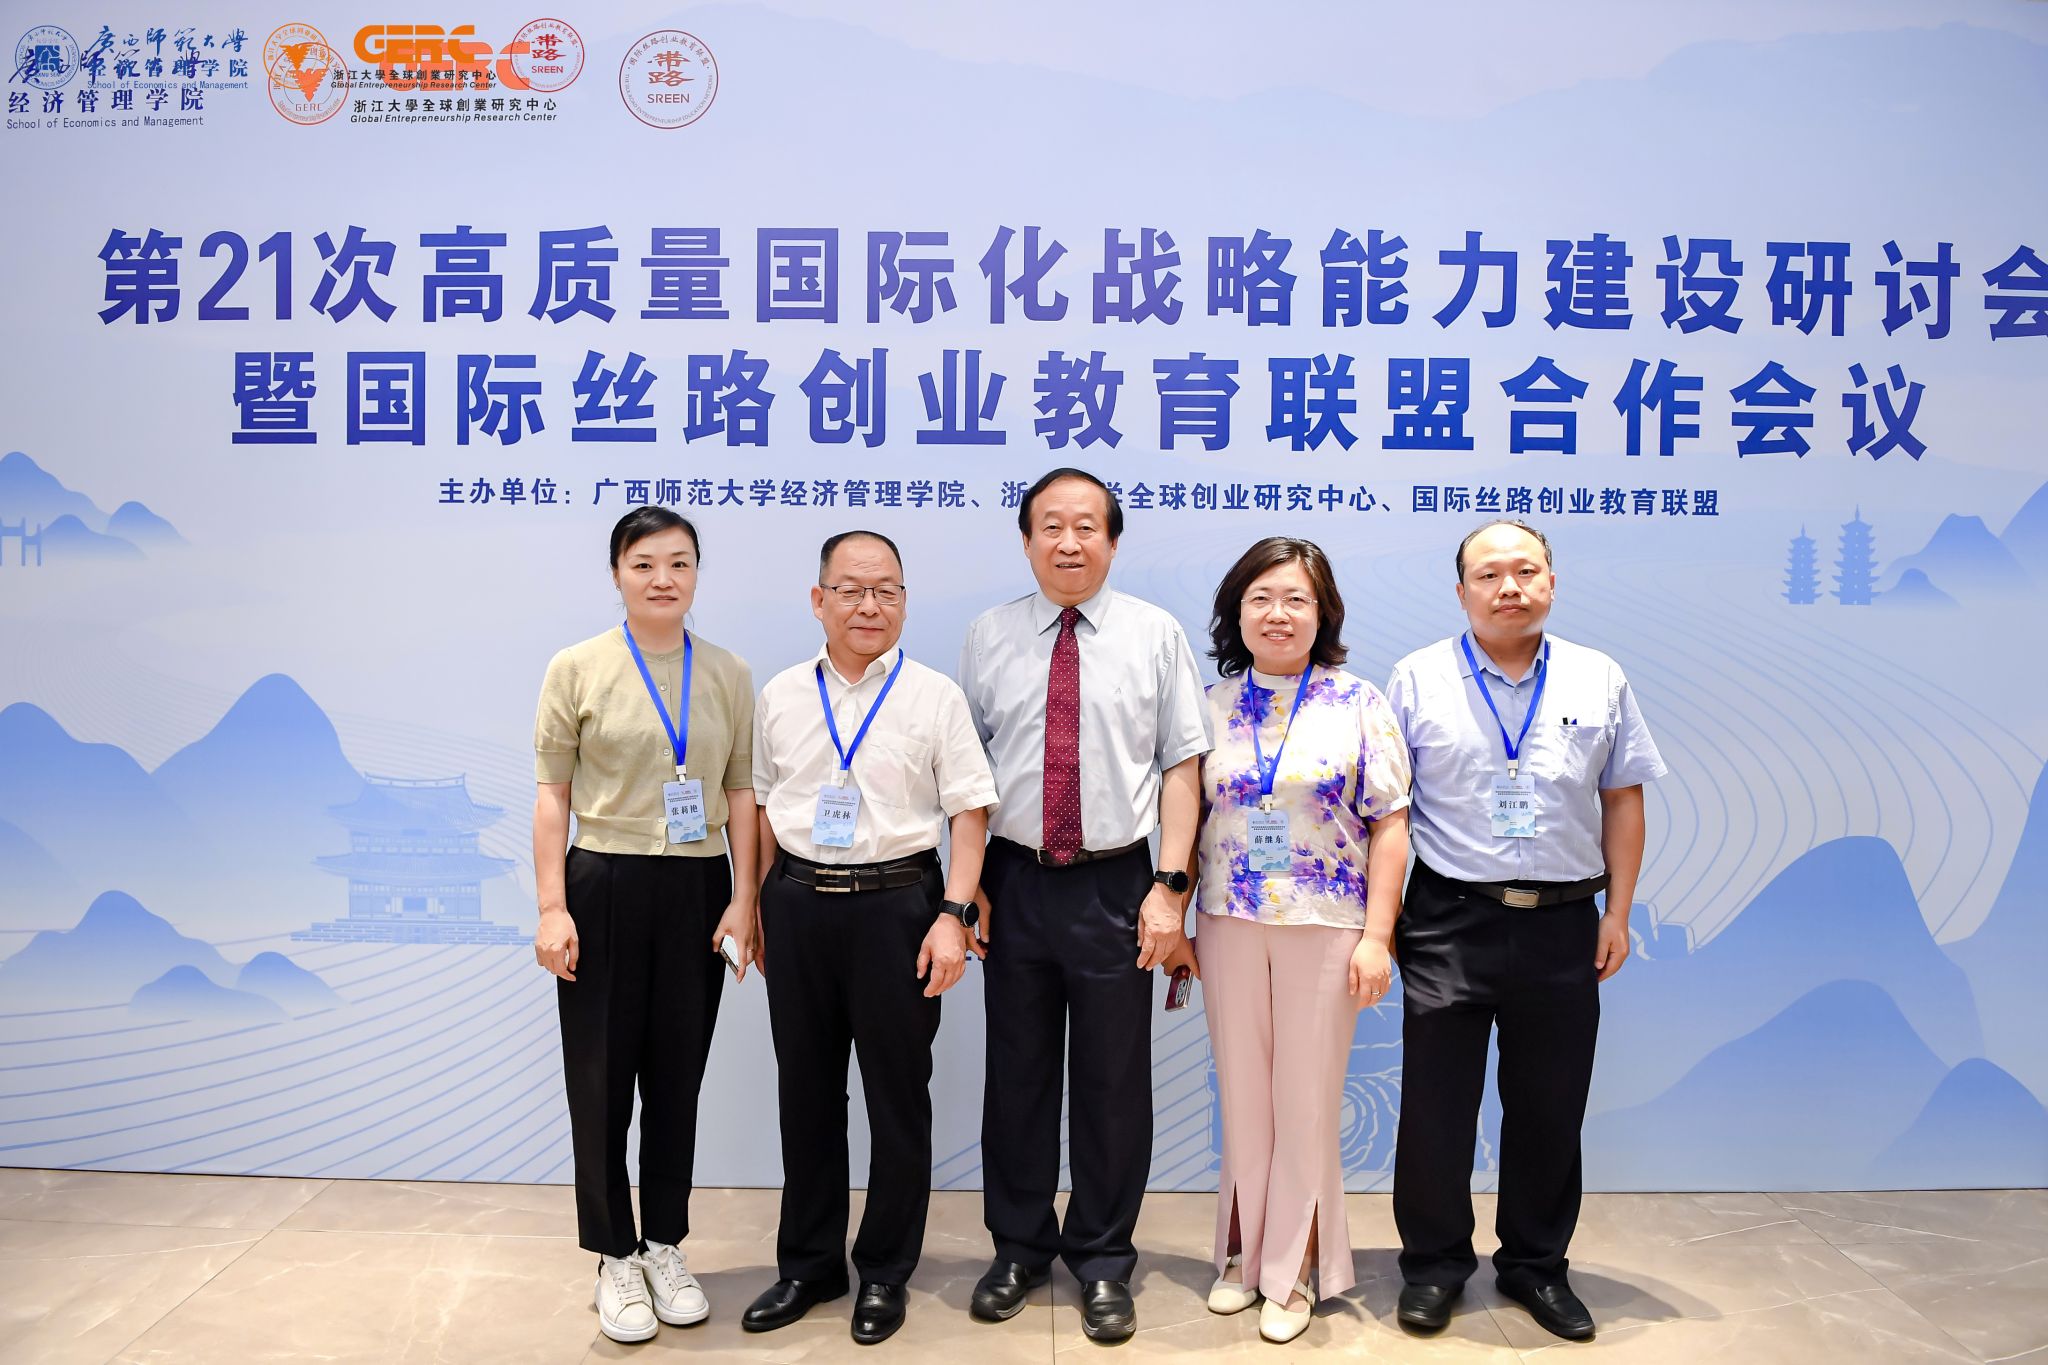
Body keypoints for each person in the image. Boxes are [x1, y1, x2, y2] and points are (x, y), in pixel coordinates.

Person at [1385, 519, 1665, 1342]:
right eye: (1489, 574)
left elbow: (1622, 797)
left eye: (1526, 570)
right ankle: (1434, 1265)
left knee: (1550, 1104)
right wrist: (1383, 920)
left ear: (1551, 580)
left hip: (1564, 921)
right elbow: (1388, 811)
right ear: (1461, 590)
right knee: (1436, 1105)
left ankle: (1536, 1264)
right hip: (1448, 916)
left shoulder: (1598, 676)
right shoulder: (1416, 677)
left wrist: (1618, 911)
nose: (1509, 587)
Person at [958, 467, 1212, 1344]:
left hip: (1117, 883)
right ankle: (1019, 1248)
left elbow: (1182, 767)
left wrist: (1170, 888)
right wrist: (969, 884)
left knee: (1113, 1081)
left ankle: (1103, 1257)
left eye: (1086, 526)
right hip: (1013, 879)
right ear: (1027, 539)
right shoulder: (989, 635)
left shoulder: (1154, 634)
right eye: (1051, 526)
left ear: (1113, 539)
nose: (1069, 543)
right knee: (1017, 1075)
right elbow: (967, 773)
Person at [741, 530, 998, 1347]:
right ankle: (810, 1264)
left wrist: (953, 916)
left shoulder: (934, 696)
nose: (869, 605)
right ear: (818, 600)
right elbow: (761, 806)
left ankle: (885, 1269)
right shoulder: (782, 694)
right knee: (806, 1092)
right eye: (851, 590)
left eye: (886, 590)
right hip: (798, 904)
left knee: (897, 1097)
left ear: (905, 602)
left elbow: (969, 815)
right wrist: (755, 904)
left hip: (899, 908)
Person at [531, 507, 760, 1344]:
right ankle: (612, 1254)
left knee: (676, 1076)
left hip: (698, 887)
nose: (664, 578)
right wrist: (552, 906)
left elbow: (742, 793)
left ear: (697, 572)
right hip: (603, 882)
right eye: (644, 563)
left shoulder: (728, 671)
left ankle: (663, 1242)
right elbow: (552, 795)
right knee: (600, 1078)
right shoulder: (577, 667)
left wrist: (744, 898)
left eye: (680, 562)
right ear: (617, 573)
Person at [1189, 537, 1411, 1344]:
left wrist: (1378, 936)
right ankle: (1242, 1255)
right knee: (1244, 1092)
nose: (1277, 613)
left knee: (1306, 1099)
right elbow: (1186, 816)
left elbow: (1391, 825)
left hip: (1327, 922)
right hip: (1228, 919)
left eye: (1296, 599)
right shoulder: (1208, 704)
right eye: (1261, 597)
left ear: (1323, 614)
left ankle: (1295, 1268)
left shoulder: (1358, 702)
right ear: (1236, 610)